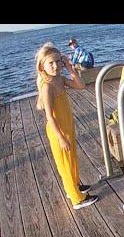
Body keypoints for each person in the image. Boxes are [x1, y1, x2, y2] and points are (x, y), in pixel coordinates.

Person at [35, 43, 98, 210]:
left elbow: (80, 85)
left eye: (58, 61)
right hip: (58, 131)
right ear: (42, 65)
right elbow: (49, 116)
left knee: (72, 159)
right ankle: (77, 199)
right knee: (65, 164)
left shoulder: (60, 79)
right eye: (51, 63)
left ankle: (75, 186)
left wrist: (70, 68)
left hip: (67, 126)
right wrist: (61, 138)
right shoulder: (47, 86)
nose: (56, 66)